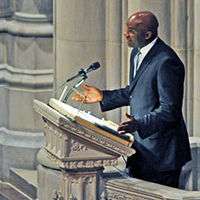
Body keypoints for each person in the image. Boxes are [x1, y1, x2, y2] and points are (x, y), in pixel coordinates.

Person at [72, 11, 191, 188]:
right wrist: (104, 96)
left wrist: (140, 124)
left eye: (131, 31)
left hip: (162, 154)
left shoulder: (166, 61)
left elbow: (169, 111)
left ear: (147, 35)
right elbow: (133, 91)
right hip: (141, 149)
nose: (125, 34)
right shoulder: (136, 53)